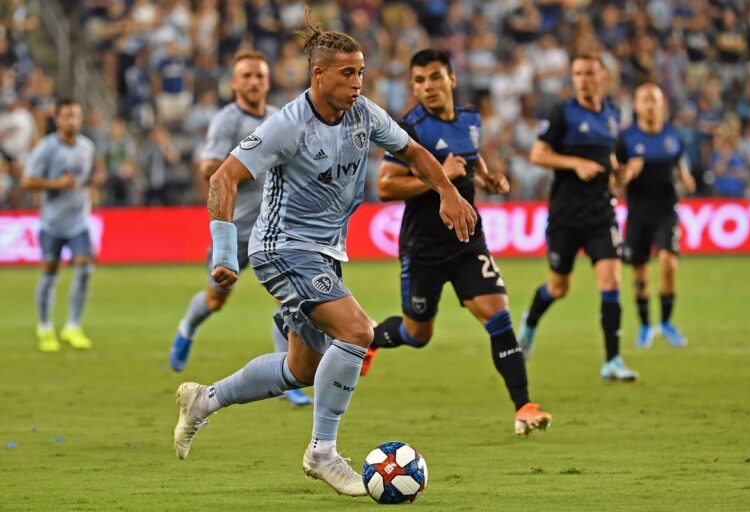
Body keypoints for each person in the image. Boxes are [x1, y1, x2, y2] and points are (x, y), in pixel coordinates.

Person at [172, 20, 477, 497]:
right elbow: (222, 179)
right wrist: (225, 253)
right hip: (282, 248)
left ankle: (204, 401)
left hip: (326, 251)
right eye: (347, 74)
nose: (357, 82)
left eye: (360, 73)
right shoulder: (287, 125)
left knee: (302, 369)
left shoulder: (364, 114)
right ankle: (322, 453)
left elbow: (413, 151)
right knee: (358, 331)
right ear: (318, 75)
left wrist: (447, 192)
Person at [360, 49, 551, 436]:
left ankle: (524, 407)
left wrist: (487, 179)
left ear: (451, 79)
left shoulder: (470, 119)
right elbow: (385, 186)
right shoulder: (410, 129)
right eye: (419, 81)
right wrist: (439, 177)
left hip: (467, 242)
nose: (426, 87)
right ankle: (371, 336)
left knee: (499, 317)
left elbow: (471, 159)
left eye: (433, 77)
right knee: (417, 335)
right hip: (423, 249)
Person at [167, 50, 311, 405]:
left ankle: (287, 378)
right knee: (216, 300)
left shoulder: (278, 118)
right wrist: (250, 159)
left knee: (288, 299)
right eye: (246, 76)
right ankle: (188, 327)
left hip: (276, 230)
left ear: (267, 81)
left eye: (259, 76)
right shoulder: (226, 121)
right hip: (236, 229)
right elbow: (209, 169)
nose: (254, 82)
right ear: (233, 83)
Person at [518, 53, 639, 382]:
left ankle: (612, 361)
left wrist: (623, 174)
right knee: (559, 287)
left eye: (589, 73)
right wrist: (575, 164)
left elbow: (611, 167)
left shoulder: (614, 115)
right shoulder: (563, 112)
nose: (583, 79)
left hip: (601, 213)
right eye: (578, 73)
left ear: (603, 77)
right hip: (566, 215)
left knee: (611, 281)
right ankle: (529, 324)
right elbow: (537, 153)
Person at [617, 83, 696, 348]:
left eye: (654, 100)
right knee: (639, 274)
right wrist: (627, 173)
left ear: (662, 105)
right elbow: (615, 181)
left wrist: (686, 179)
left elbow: (681, 166)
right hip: (638, 214)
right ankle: (645, 326)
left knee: (668, 265)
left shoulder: (674, 136)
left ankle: (665, 323)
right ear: (636, 105)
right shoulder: (626, 138)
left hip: (666, 211)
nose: (650, 104)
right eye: (645, 100)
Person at [21, 99, 96, 352]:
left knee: (85, 269)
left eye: (76, 115)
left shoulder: (87, 147)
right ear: (57, 119)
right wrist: (56, 185)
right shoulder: (46, 148)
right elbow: (28, 181)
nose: (72, 120)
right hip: (52, 223)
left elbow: (83, 180)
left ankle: (73, 326)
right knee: (50, 273)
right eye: (67, 116)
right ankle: (44, 328)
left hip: (79, 222)